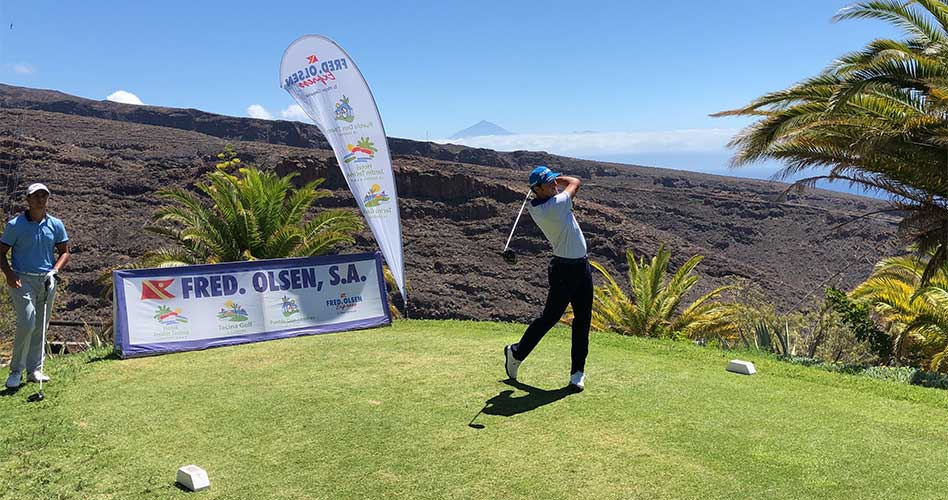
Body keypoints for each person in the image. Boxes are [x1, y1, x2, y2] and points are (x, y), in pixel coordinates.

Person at [505, 166, 592, 391]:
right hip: (564, 270)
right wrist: (561, 177)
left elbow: (561, 186)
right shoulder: (555, 205)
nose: (555, 185)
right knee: (550, 318)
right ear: (538, 189)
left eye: (555, 181)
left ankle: (577, 373)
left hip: (582, 266)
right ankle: (516, 352)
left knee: (583, 320)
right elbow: (576, 181)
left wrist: (548, 178)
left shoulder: (538, 205)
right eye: (550, 183)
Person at [1, 183, 70, 389]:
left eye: (44, 196)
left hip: (47, 280)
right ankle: (15, 371)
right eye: (36, 196)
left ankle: (35, 370)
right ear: (28, 200)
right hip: (22, 279)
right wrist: (9, 274)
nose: (40, 199)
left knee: (41, 326)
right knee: (28, 322)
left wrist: (54, 271)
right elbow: (1, 252)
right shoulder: (16, 225)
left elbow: (64, 252)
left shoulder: (56, 224)